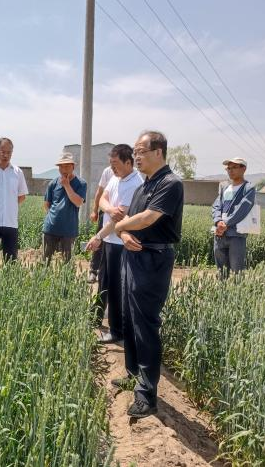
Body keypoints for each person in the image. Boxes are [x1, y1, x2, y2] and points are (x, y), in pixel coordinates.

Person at [113, 131, 184, 418]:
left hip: (153, 258)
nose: (137, 156)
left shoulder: (170, 184)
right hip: (133, 255)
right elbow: (130, 219)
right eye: (135, 151)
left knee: (145, 324)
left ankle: (147, 395)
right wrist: (125, 231)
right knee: (130, 318)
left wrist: (123, 228)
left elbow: (148, 218)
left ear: (159, 152)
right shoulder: (144, 186)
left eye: (141, 150)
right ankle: (132, 373)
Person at [86, 145, 143, 344]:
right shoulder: (115, 177)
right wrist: (109, 208)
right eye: (111, 164)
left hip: (120, 242)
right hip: (110, 240)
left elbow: (118, 221)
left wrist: (98, 236)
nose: (113, 168)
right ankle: (98, 318)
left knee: (118, 288)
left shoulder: (136, 184)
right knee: (105, 281)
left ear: (129, 162)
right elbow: (103, 198)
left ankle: (118, 330)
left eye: (116, 164)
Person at [212, 157, 256, 278]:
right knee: (221, 273)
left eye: (234, 167)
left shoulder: (249, 188)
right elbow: (216, 206)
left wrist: (225, 223)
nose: (230, 171)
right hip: (219, 234)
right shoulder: (224, 187)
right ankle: (222, 296)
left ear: (244, 169)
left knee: (237, 272)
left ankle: (237, 296)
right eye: (228, 168)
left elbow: (242, 209)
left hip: (236, 235)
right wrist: (218, 221)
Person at [41, 152, 86, 263]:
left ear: (73, 167)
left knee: (67, 263)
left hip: (69, 230)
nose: (63, 169)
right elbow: (47, 204)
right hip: (50, 228)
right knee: (45, 261)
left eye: (66, 166)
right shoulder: (53, 183)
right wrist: (52, 218)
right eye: (61, 166)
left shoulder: (81, 183)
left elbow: (78, 202)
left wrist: (66, 185)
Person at [87, 166, 114, 283]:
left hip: (121, 212)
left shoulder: (134, 174)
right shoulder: (108, 171)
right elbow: (100, 192)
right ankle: (93, 271)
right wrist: (95, 210)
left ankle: (110, 272)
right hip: (105, 212)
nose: (113, 164)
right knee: (99, 241)